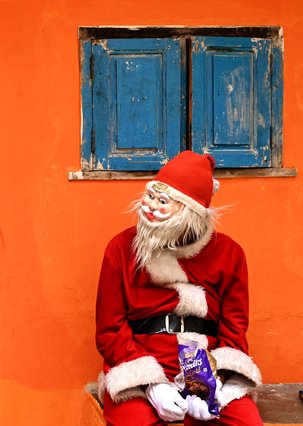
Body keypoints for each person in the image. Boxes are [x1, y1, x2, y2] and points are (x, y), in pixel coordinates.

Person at [95, 151, 263, 425]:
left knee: (245, 422)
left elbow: (234, 330)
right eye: (150, 196)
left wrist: (208, 383)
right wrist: (152, 384)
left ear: (190, 212)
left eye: (163, 201)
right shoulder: (120, 248)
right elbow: (109, 329)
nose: (149, 207)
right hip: (140, 358)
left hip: (204, 360)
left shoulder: (229, 253)